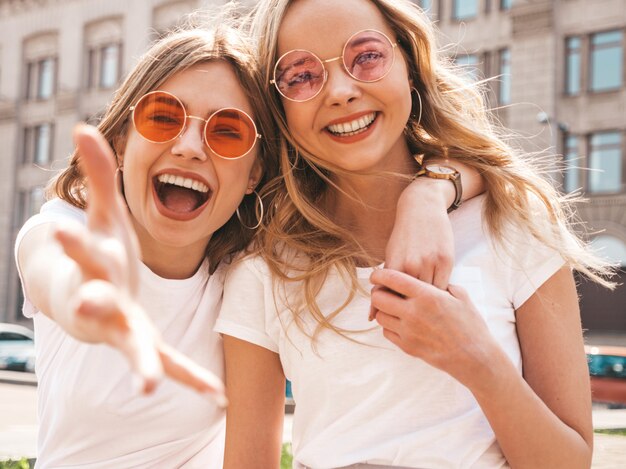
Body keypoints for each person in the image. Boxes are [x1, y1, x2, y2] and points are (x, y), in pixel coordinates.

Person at [216, 0, 614, 468]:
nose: (341, 91)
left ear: (409, 65)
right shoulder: (265, 268)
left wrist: (476, 359)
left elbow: (569, 463)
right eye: (301, 76)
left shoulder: (513, 222)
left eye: (366, 56)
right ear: (279, 107)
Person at [14, 21, 279, 468]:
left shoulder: (250, 278)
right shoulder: (65, 230)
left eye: (228, 131)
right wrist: (76, 295)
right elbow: (50, 269)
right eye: (163, 117)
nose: (190, 147)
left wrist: (436, 191)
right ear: (121, 142)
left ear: (254, 173)